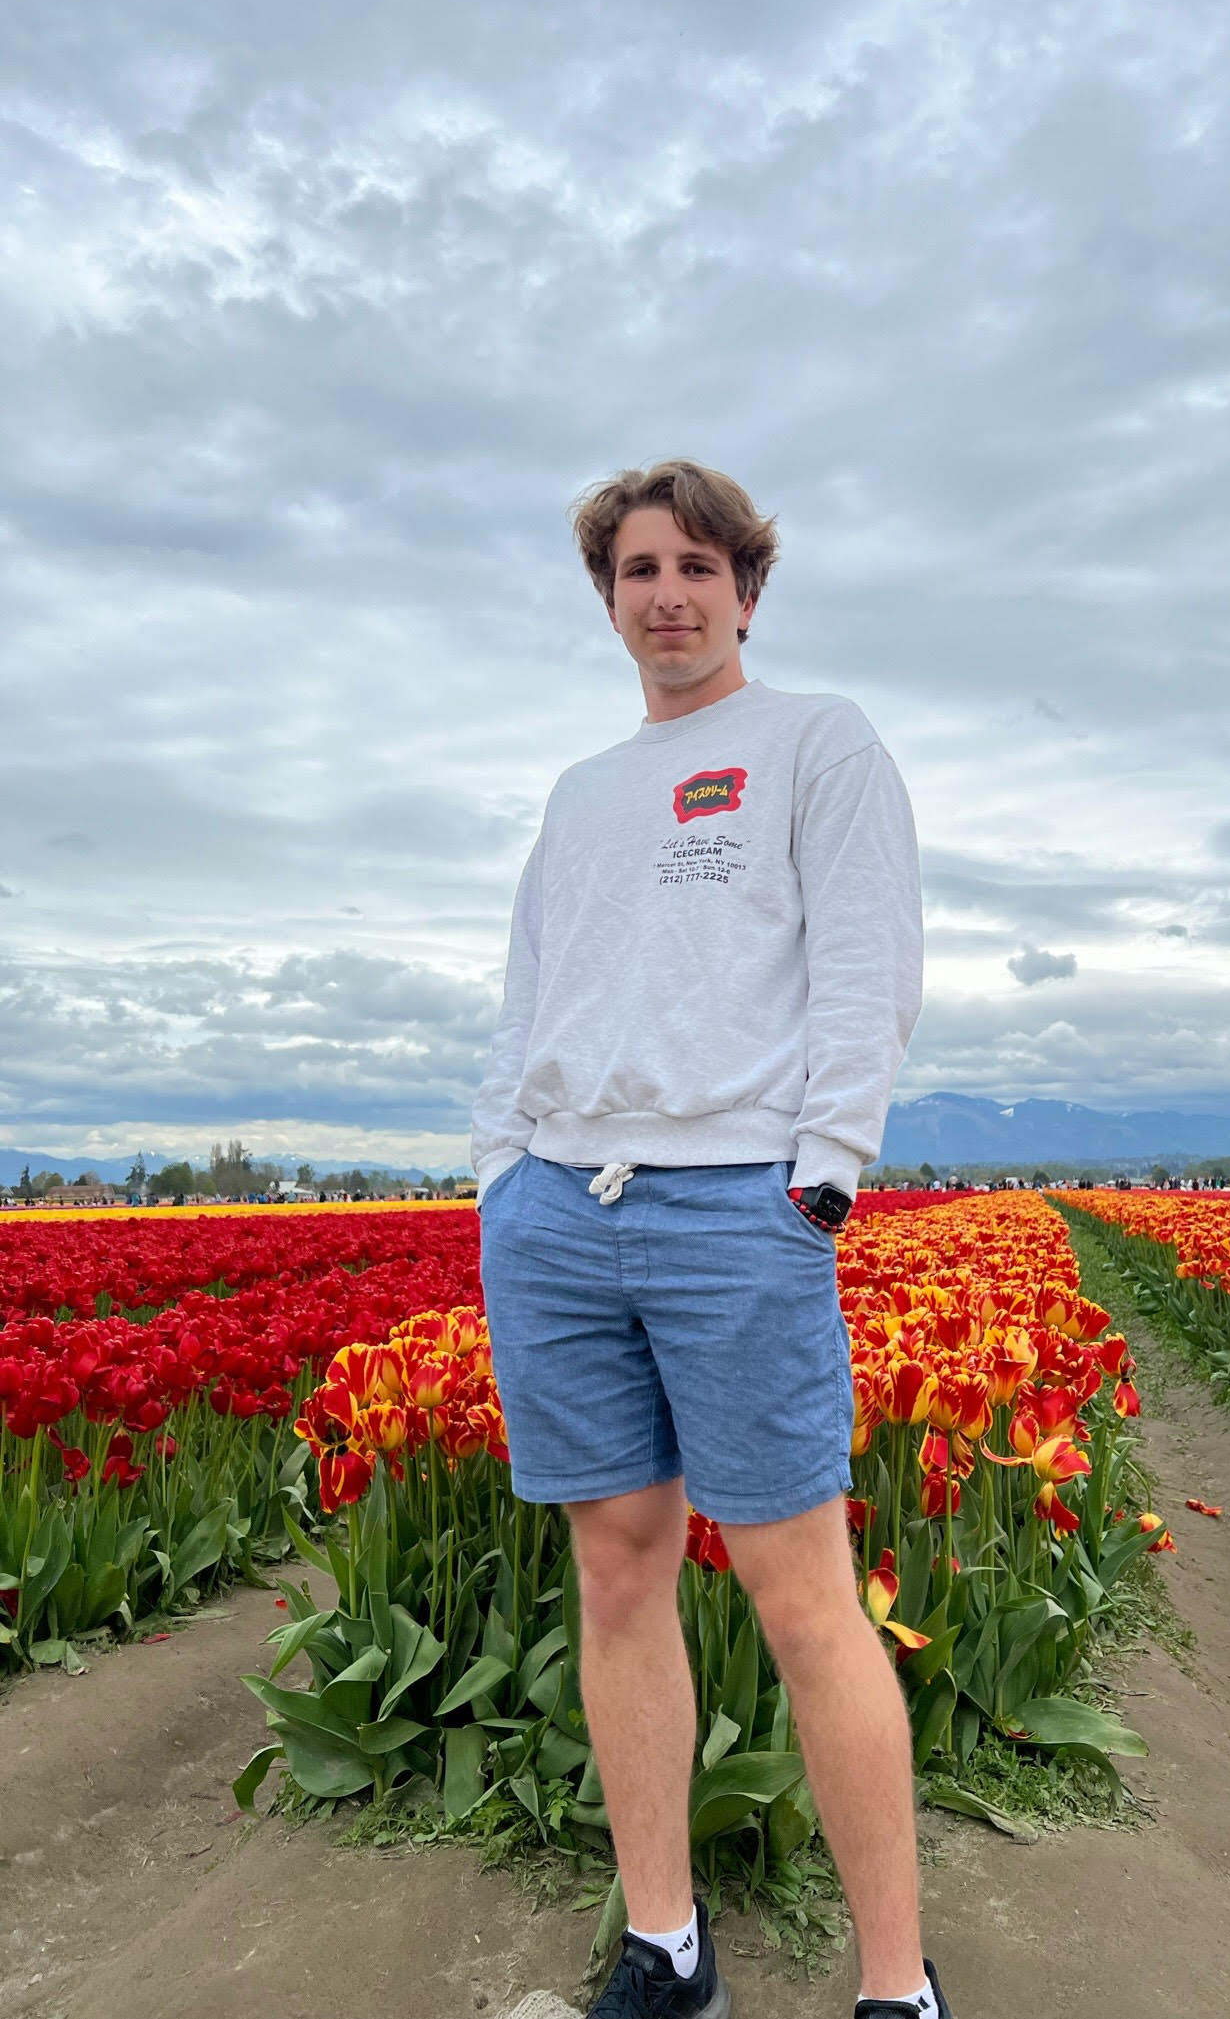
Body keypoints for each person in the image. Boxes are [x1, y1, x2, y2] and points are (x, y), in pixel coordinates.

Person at [471, 460, 946, 2019]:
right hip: (560, 1210)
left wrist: (820, 1177)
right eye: (634, 570)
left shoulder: (816, 742)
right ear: (606, 598)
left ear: (748, 587)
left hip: (734, 1206)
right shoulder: (582, 792)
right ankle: (666, 1947)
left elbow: (870, 963)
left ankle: (895, 1987)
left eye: (696, 565)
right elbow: (528, 997)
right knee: (617, 1580)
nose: (665, 593)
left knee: (803, 1594)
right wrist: (501, 1174)